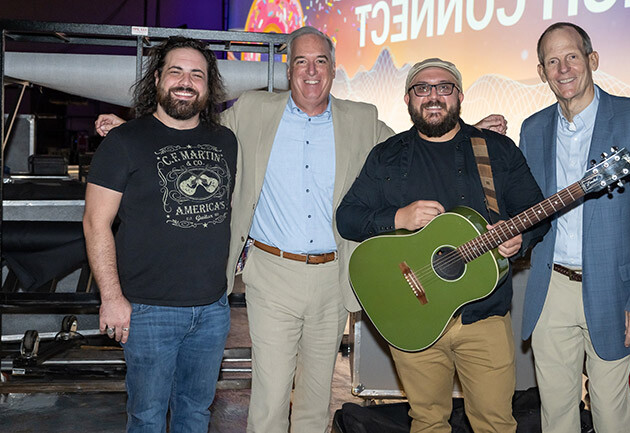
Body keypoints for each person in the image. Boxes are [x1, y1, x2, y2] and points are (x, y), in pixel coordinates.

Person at [96, 26, 506, 433]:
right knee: (270, 399)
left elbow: (416, 150)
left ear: (333, 68)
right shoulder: (254, 111)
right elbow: (189, 124)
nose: (311, 71)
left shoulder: (362, 119)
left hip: (333, 277)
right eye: (301, 62)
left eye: (321, 61)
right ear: (288, 68)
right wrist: (131, 127)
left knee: (315, 399)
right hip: (272, 275)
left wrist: (468, 135)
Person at [336, 58, 548, 433]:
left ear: (460, 96)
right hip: (411, 314)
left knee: (496, 424)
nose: (433, 96)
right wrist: (398, 217)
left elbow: (536, 212)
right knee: (427, 422)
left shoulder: (497, 150)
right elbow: (348, 217)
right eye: (423, 88)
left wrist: (522, 238)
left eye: (444, 87)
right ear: (408, 99)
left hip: (484, 315)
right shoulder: (387, 155)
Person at [518, 22, 630, 433]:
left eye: (572, 56)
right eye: (551, 61)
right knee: (555, 412)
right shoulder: (533, 129)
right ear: (541, 73)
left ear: (592, 60)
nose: (563, 68)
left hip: (615, 290)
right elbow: (528, 210)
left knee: (610, 410)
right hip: (551, 288)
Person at [83, 36, 237, 432]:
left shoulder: (225, 141)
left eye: (197, 74)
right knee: (147, 417)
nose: (186, 81)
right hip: (147, 311)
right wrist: (111, 299)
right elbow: (95, 223)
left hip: (213, 310)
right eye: (176, 71)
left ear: (209, 86)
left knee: (196, 413)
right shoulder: (124, 142)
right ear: (157, 79)